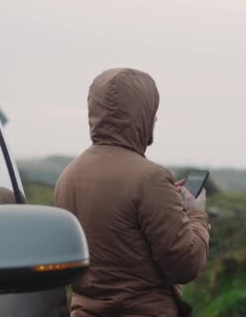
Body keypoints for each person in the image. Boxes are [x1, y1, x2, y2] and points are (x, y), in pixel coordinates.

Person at [54, 68, 210, 317]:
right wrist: (196, 215)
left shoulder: (68, 175)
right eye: (152, 112)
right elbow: (185, 266)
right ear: (140, 116)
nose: (155, 120)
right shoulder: (151, 178)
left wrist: (165, 200)